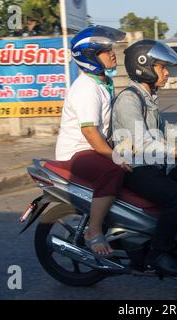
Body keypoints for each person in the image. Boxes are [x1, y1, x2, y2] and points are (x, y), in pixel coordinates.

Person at [111, 40, 177, 275]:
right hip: (134, 167)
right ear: (144, 67)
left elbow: (165, 130)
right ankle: (156, 254)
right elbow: (143, 142)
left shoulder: (147, 97)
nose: (166, 72)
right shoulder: (129, 99)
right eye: (161, 67)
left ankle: (173, 235)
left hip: (152, 164)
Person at [55, 25, 131, 257]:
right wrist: (114, 156)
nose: (112, 53)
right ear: (90, 57)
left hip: (92, 150)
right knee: (114, 170)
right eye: (105, 51)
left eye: (111, 49)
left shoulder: (101, 83)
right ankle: (94, 230)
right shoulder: (86, 89)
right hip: (76, 154)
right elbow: (90, 132)